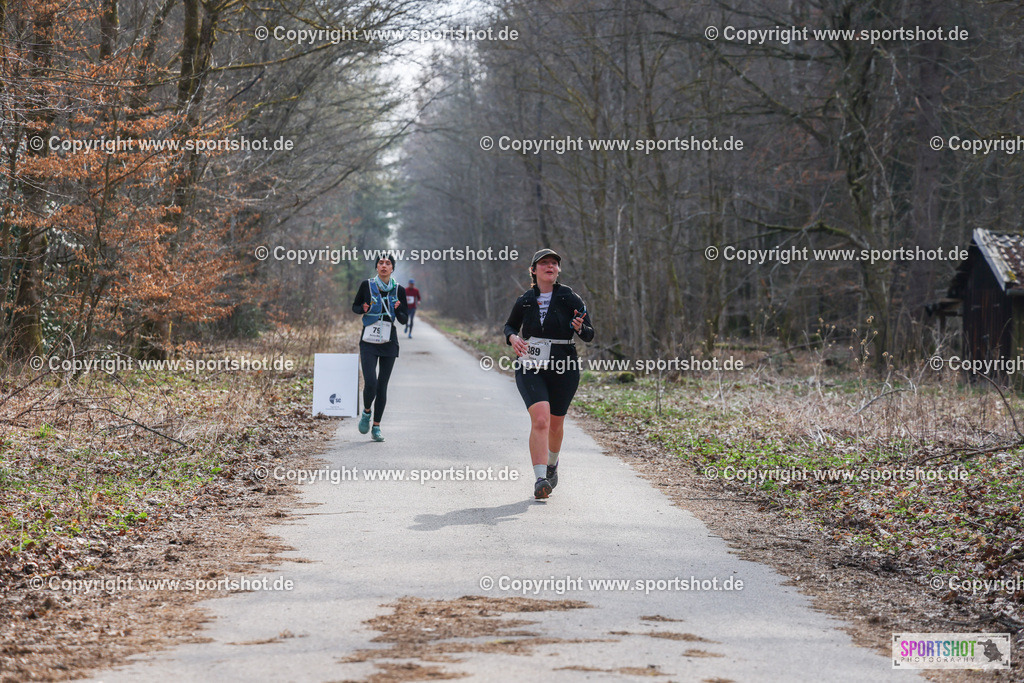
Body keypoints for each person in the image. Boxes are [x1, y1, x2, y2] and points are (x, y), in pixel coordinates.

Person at [503, 249, 594, 499]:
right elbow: (510, 325)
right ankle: (540, 478)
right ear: (534, 270)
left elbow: (589, 333)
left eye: (554, 263)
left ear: (558, 270)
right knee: (541, 419)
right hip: (530, 366)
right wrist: (512, 337)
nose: (550, 267)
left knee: (556, 424)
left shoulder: (569, 297)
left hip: (564, 368)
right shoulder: (525, 300)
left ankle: (552, 464)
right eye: (544, 263)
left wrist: (580, 327)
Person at [351, 255, 408, 442]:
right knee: (371, 382)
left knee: (382, 385)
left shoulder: (399, 290)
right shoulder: (367, 285)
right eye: (381, 263)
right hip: (368, 340)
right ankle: (367, 412)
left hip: (389, 341)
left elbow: (403, 319)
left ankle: (376, 427)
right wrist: (364, 308)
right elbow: (355, 306)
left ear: (393, 268)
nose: (384, 266)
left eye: (388, 263)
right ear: (376, 267)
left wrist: (399, 309)